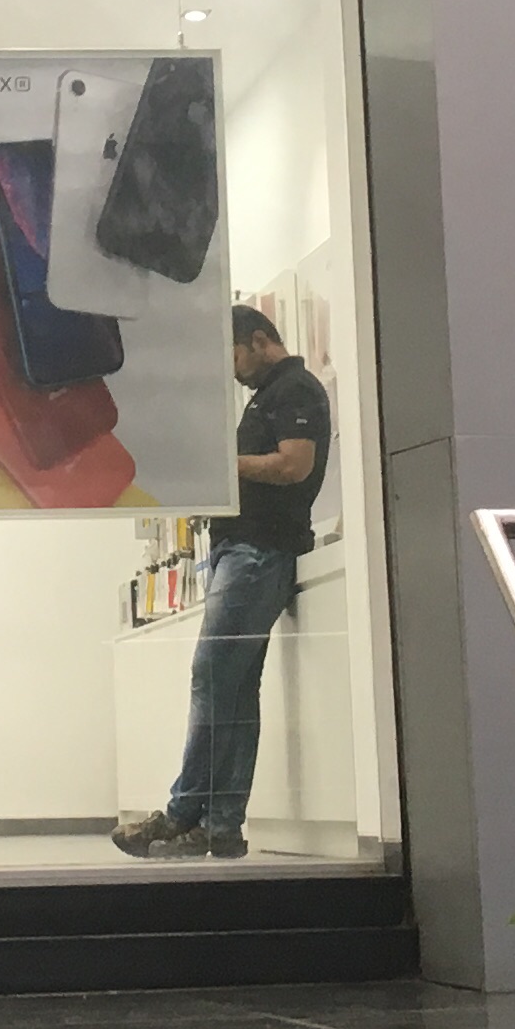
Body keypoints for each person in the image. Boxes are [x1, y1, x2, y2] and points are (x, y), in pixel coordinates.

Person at [116, 308, 329, 862]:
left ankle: (184, 812)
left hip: (259, 550)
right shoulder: (269, 395)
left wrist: (222, 465)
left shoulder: (295, 389)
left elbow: (295, 465)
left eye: (233, 354)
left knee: (213, 678)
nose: (232, 369)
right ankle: (221, 826)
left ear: (259, 341)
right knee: (232, 690)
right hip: (245, 549)